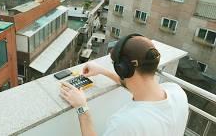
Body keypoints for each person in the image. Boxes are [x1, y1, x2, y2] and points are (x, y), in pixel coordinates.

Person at [60, 34, 189, 136]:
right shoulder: (177, 92)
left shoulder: (126, 124)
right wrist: (103, 71)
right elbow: (138, 85)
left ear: (123, 69)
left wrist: (82, 109)